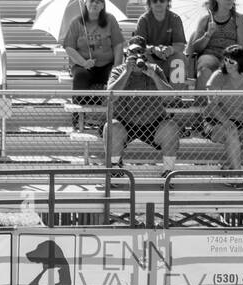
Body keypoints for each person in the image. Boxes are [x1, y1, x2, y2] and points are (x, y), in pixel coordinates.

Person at [104, 38, 181, 169]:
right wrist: (127, 72)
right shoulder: (118, 71)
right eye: (133, 52)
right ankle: (115, 169)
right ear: (127, 55)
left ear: (146, 54)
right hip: (125, 122)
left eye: (141, 52)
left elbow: (170, 98)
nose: (137, 56)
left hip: (153, 122)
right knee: (112, 126)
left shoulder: (155, 69)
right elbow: (110, 97)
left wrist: (154, 76)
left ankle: (168, 172)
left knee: (171, 127)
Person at [205, 45, 243, 172]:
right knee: (231, 132)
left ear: (241, 63)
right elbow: (212, 105)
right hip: (215, 122)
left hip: (239, 122)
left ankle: (230, 168)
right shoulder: (218, 76)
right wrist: (227, 122)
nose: (227, 64)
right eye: (225, 60)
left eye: (231, 61)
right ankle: (237, 176)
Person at [64, 0, 125, 104]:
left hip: (107, 65)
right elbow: (69, 47)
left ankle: (116, 115)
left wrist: (117, 66)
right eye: (91, 1)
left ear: (102, 5)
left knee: (117, 78)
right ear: (85, 3)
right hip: (83, 66)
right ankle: (78, 117)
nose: (94, 4)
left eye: (98, 2)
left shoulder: (110, 20)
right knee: (80, 77)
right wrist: (84, 63)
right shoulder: (76, 22)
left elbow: (118, 44)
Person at [187, 0, 243, 90]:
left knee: (232, 66)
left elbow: (241, 48)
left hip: (232, 56)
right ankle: (202, 102)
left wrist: (227, 60)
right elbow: (197, 48)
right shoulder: (205, 19)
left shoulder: (239, 19)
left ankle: (227, 102)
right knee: (205, 68)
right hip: (210, 55)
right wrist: (208, 34)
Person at [134, 0, 188, 81]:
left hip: (169, 60)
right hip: (150, 59)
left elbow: (180, 45)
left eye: (162, 0)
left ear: (167, 2)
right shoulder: (143, 20)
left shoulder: (175, 19)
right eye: (155, 1)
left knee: (179, 59)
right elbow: (139, 46)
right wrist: (152, 49)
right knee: (142, 58)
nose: (158, 3)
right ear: (149, 3)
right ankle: (150, 91)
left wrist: (170, 50)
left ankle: (175, 93)